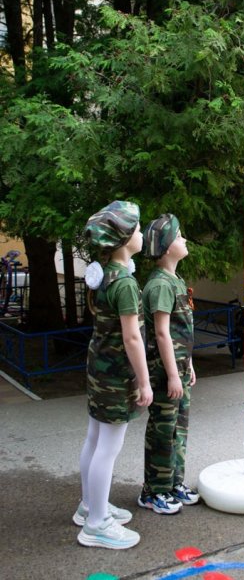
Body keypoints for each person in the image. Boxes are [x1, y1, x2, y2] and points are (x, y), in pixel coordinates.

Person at [74, 200, 153, 550]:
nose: (141, 233)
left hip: (98, 369)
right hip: (116, 375)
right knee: (108, 447)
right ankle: (96, 524)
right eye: (136, 228)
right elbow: (132, 338)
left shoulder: (106, 274)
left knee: (94, 439)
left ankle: (90, 506)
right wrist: (144, 381)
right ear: (123, 240)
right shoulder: (126, 284)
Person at [138, 214, 199, 515]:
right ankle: (154, 491)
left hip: (179, 369)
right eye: (178, 236)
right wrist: (174, 376)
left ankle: (174, 483)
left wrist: (189, 365)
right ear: (164, 247)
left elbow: (180, 331)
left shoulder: (176, 280)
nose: (184, 240)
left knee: (178, 430)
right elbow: (161, 333)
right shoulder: (160, 285)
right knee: (163, 431)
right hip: (165, 373)